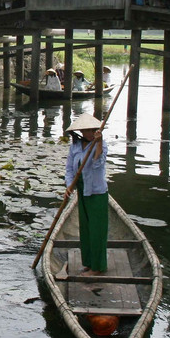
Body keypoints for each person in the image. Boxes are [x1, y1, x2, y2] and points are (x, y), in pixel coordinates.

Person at [64, 113, 108, 276]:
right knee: (86, 229)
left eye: (92, 131)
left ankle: (98, 267)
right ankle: (89, 263)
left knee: (97, 230)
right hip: (82, 191)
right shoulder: (75, 146)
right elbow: (69, 169)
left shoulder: (101, 145)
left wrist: (98, 143)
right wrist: (69, 186)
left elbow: (98, 163)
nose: (88, 134)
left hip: (96, 192)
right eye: (86, 131)